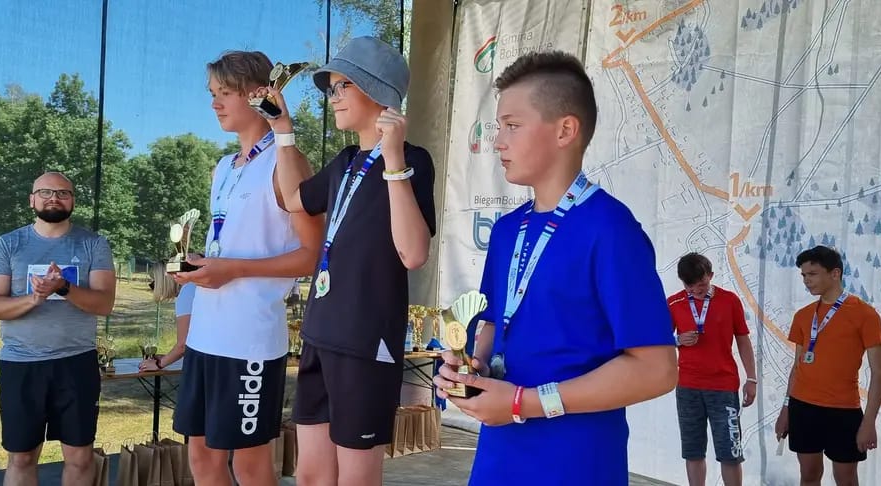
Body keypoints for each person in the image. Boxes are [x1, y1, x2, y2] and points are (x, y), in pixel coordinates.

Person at [432, 50, 678, 485]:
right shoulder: (507, 230)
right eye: (499, 126)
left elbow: (656, 369)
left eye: (512, 125)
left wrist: (522, 403)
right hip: (498, 457)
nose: (498, 141)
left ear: (565, 130)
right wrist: (471, 367)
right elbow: (494, 323)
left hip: (576, 462)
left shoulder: (611, 230)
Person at [270, 36, 437, 485]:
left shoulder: (414, 161)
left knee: (356, 479)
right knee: (311, 476)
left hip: (366, 341)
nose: (333, 96)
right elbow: (293, 199)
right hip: (319, 334)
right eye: (331, 88)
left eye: (342, 85)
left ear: (377, 90)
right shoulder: (344, 161)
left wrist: (394, 159)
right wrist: (283, 130)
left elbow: (413, 253)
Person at [169, 50, 323, 486]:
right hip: (205, 334)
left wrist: (232, 269)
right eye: (212, 93)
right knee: (202, 459)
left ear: (258, 95)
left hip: (249, 340)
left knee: (250, 466)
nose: (214, 103)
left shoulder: (286, 161)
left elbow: (312, 255)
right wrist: (199, 266)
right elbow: (229, 245)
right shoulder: (224, 167)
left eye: (225, 93)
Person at [0, 171, 117, 486]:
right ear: (32, 200)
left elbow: (104, 303)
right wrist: (36, 297)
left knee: (81, 459)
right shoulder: (9, 244)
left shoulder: (94, 244)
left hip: (76, 363)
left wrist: (64, 288)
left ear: (72, 201)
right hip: (21, 364)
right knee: (22, 458)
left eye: (63, 193)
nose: (54, 198)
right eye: (45, 192)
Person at [775, 245, 881, 486]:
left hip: (843, 410)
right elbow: (797, 366)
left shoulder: (866, 315)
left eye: (812, 274)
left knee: (846, 479)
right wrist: (786, 409)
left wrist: (869, 422)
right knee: (809, 475)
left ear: (835, 273)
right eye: (803, 275)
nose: (806, 280)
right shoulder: (803, 315)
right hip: (803, 407)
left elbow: (878, 373)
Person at [669, 252, 757, 486]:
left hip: (723, 387)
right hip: (687, 387)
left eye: (701, 284)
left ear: (711, 275)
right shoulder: (674, 302)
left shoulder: (730, 300)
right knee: (693, 451)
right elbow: (660, 341)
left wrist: (752, 378)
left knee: (730, 452)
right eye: (689, 286)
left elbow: (743, 340)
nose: (696, 291)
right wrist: (678, 340)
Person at [139, 263, 194, 372]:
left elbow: (183, 345)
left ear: (165, 281)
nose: (153, 288)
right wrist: (168, 357)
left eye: (154, 283)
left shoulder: (186, 292)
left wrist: (159, 364)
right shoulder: (193, 288)